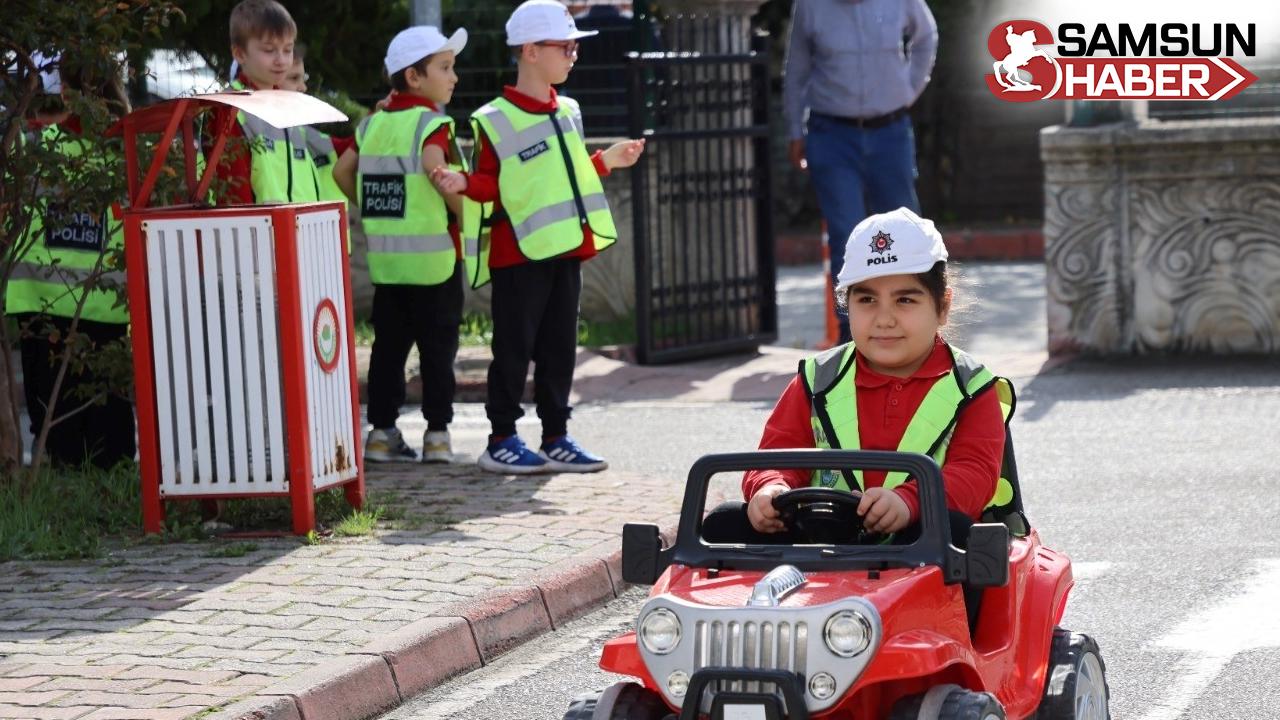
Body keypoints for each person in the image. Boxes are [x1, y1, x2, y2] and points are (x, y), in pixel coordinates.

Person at [702, 208, 1016, 558]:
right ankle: (745, 612)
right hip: (819, 541)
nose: (884, 319)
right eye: (867, 300)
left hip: (919, 547)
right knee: (723, 522)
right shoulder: (817, 378)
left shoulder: (972, 387)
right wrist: (771, 487)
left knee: (960, 534)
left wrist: (910, 501)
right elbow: (777, 452)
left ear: (942, 307)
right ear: (846, 305)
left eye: (905, 300)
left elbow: (975, 475)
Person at [430, 0, 645, 475]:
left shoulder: (569, 109)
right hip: (517, 254)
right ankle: (501, 438)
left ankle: (556, 436)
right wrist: (464, 184)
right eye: (565, 46)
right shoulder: (494, 118)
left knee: (559, 348)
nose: (573, 55)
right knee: (514, 348)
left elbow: (567, 179)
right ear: (530, 51)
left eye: (573, 47)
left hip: (566, 249)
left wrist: (607, 161)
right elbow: (491, 182)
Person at [331, 26, 468, 463]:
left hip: (389, 266)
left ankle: (380, 433)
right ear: (414, 76)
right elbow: (434, 167)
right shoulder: (432, 124)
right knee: (438, 353)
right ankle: (437, 437)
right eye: (445, 68)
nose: (454, 77)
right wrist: (468, 215)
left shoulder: (371, 125)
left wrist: (372, 208)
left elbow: (341, 172)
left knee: (388, 351)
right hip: (437, 266)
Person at [6, 55, 137, 469]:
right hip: (105, 313)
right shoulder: (126, 151)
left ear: (62, 90)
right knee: (110, 440)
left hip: (41, 310)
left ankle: (72, 509)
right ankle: (103, 511)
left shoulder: (36, 145)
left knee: (58, 437)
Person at [784, 0, 938, 344]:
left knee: (906, 233)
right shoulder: (810, 6)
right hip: (831, 134)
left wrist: (908, 89)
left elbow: (926, 36)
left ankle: (915, 335)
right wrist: (794, 130)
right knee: (846, 237)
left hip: (891, 132)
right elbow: (797, 68)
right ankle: (850, 341)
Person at [212, 0, 319, 205]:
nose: (281, 60)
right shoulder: (230, 108)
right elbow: (233, 192)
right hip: (256, 233)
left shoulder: (286, 106)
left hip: (295, 232)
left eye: (288, 50)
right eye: (269, 50)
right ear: (239, 54)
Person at [284, 43, 353, 209]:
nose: (303, 87)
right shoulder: (245, 124)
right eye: (294, 78)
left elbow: (346, 147)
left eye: (303, 78)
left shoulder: (299, 131)